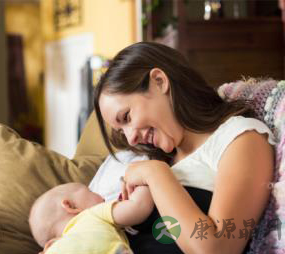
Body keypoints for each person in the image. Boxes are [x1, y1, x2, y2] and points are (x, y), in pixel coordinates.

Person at [93, 42, 276, 254]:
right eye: (121, 130)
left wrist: (155, 174)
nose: (131, 139)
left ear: (159, 82)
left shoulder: (240, 139)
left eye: (126, 117)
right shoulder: (161, 158)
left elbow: (217, 248)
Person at [28, 182, 154, 254]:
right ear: (70, 205)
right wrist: (142, 183)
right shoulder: (92, 214)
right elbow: (139, 207)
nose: (103, 198)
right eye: (90, 191)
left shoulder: (57, 248)